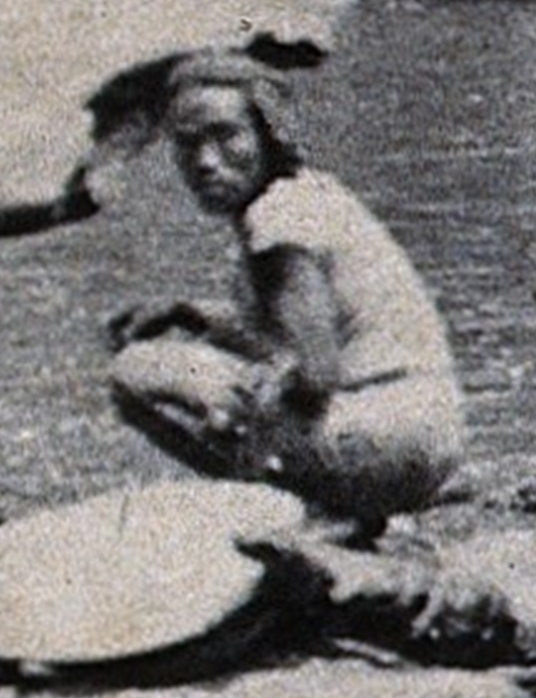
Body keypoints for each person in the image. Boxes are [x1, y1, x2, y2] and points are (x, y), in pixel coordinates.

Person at [108, 50, 465, 534]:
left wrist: (247, 420)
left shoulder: (278, 222)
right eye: (187, 144)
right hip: (428, 431)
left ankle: (273, 513)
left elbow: (317, 373)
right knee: (221, 380)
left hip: (384, 437)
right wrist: (195, 316)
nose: (205, 162)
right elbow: (297, 333)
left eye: (226, 136)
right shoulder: (308, 193)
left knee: (134, 373)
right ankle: (331, 514)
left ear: (267, 134)